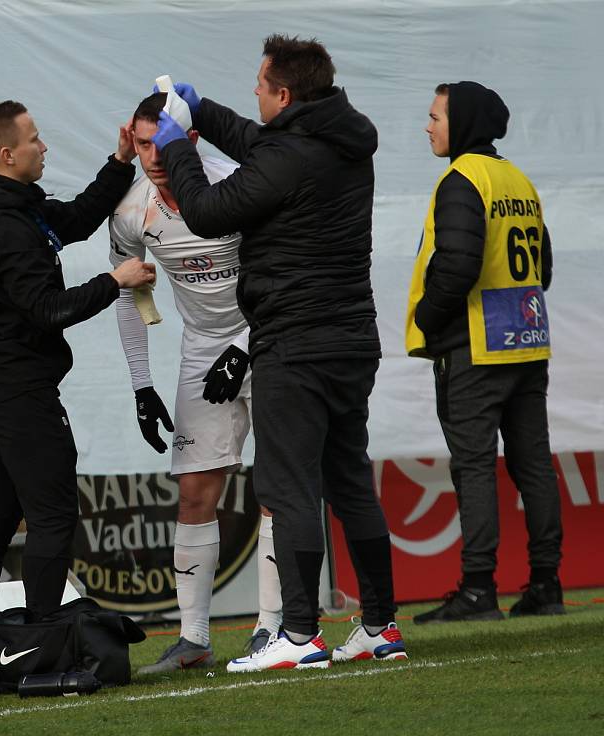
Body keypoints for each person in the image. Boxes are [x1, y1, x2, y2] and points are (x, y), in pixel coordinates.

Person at [149, 35, 407, 671]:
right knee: (350, 481)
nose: (255, 97)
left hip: (298, 339)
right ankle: (379, 624)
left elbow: (207, 210)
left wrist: (177, 143)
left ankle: (296, 635)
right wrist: (202, 111)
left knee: (287, 485)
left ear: (285, 95)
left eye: (260, 87)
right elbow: (262, 145)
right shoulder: (336, 141)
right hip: (351, 339)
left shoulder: (291, 156)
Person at [0, 100, 155, 619]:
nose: (44, 147)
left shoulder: (13, 205)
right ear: (6, 155)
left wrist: (119, 163)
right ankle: (43, 637)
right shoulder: (4, 225)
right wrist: (115, 281)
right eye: (34, 140)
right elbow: (47, 311)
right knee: (53, 514)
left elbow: (74, 220)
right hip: (18, 389)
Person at [109, 92, 282, 673]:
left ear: (193, 139)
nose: (154, 156)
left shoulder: (236, 183)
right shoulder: (131, 212)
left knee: (279, 486)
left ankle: (272, 630)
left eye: (164, 141)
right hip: (203, 348)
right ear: (129, 142)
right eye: (142, 143)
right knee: (194, 493)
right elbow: (130, 293)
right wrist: (141, 384)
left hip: (273, 334)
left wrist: (243, 347)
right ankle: (195, 641)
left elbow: (284, 275)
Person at [405, 82, 564, 623]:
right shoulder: (516, 179)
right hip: (527, 340)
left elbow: (456, 267)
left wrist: (425, 319)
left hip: (475, 346)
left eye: (434, 116)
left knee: (473, 467)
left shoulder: (461, 179)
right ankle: (547, 584)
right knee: (533, 465)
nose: (427, 126)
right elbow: (542, 269)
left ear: (463, 122)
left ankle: (478, 590)